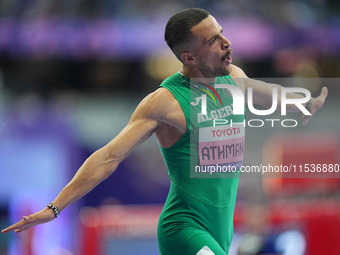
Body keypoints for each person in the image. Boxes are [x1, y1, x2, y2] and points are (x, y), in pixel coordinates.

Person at [2, 8, 327, 255]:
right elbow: (108, 156)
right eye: (213, 40)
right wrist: (54, 208)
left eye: (222, 33)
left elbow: (260, 90)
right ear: (189, 57)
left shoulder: (233, 78)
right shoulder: (164, 102)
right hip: (184, 228)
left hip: (222, 230)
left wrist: (301, 102)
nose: (227, 42)